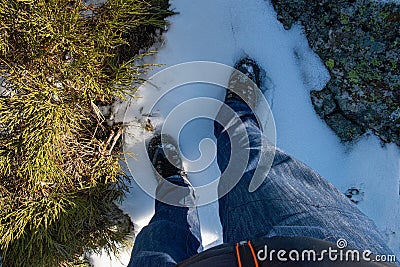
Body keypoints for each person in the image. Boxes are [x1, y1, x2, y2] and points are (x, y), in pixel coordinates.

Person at [128, 58, 398, 267]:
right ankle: (237, 116)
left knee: (162, 236)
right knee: (259, 170)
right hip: (326, 252)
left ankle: (174, 185)